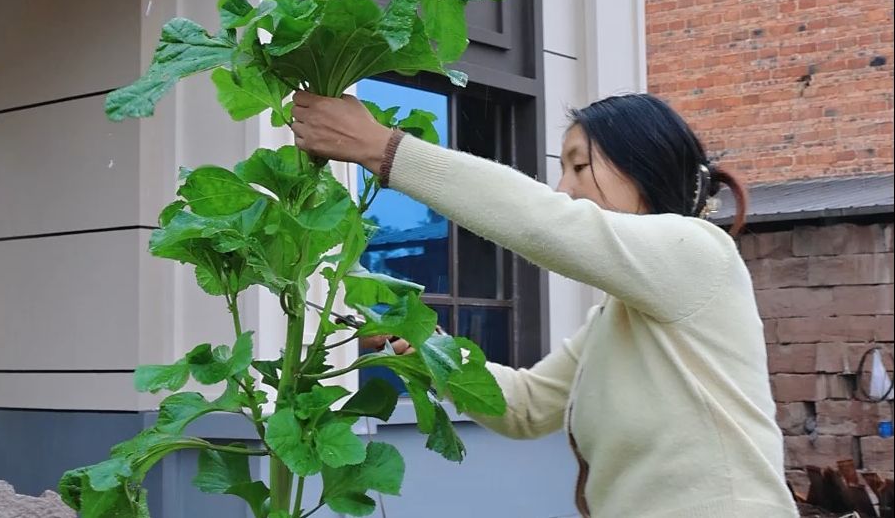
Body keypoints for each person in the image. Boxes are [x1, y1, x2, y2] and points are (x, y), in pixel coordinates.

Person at [290, 90, 797, 518]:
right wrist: (426, 346)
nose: (563, 188)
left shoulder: (700, 253)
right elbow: (527, 406)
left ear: (645, 166)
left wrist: (386, 150)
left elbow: (543, 222)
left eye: (579, 166)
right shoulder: (614, 318)